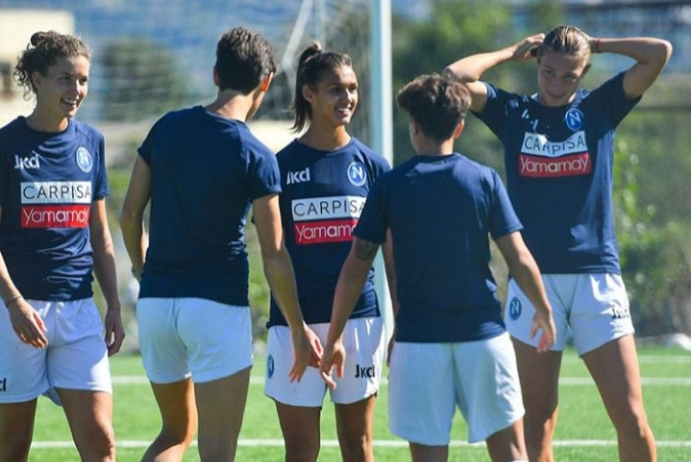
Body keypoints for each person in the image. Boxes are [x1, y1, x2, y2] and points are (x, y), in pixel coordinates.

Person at [443, 25, 672, 462]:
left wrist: (599, 44)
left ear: (583, 74)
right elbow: (453, 78)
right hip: (534, 281)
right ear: (537, 64)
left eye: (570, 76)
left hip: (596, 279)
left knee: (630, 417)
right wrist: (511, 51)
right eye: (548, 71)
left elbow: (659, 52)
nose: (556, 83)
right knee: (537, 420)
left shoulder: (601, 106)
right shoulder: (513, 111)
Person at [320, 74, 556, 462]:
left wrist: (333, 338)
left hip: (418, 345)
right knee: (512, 454)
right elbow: (520, 257)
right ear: (460, 127)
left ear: (413, 127)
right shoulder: (484, 180)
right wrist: (544, 311)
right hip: (483, 340)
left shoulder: (390, 186)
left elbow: (355, 267)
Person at [119, 27, 317, 462]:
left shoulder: (166, 127)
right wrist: (299, 327)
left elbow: (130, 214)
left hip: (155, 304)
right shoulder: (257, 153)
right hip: (216, 308)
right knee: (217, 448)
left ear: (214, 74)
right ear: (265, 81)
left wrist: (141, 269)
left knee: (173, 433)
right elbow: (274, 252)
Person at [0, 31, 125, 462]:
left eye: (82, 80)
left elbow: (99, 236)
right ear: (37, 79)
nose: (76, 90)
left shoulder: (91, 143)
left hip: (78, 312)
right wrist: (15, 303)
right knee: (15, 446)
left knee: (102, 442)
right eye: (64, 79)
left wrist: (112, 304)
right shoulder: (2, 145)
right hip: (14, 314)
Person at [264, 43, 394, 462]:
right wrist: (298, 327)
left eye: (352, 89)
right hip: (292, 325)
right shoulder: (278, 167)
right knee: (301, 450)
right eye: (336, 89)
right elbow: (275, 253)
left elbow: (392, 255)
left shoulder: (374, 167)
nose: (348, 99)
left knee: (358, 446)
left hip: (359, 323)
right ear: (309, 93)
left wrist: (402, 318)